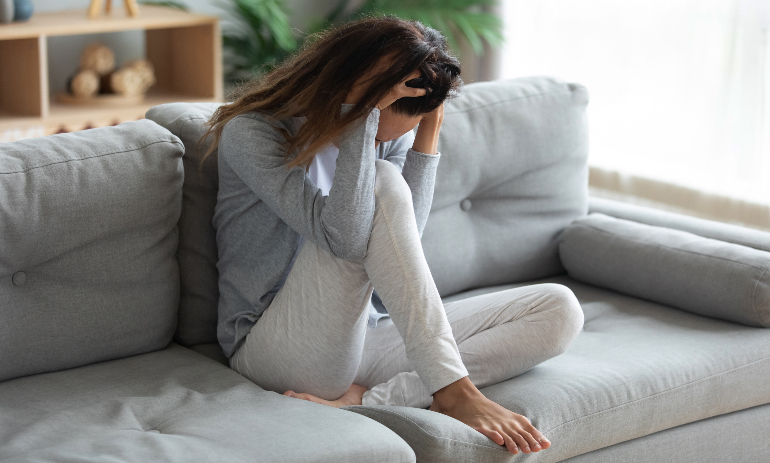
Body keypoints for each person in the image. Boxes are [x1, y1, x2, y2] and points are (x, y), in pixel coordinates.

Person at [200, 16, 584, 456]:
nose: (384, 142)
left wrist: (427, 134)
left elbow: (401, 251)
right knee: (381, 179)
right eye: (378, 127)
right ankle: (451, 388)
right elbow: (345, 240)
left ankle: (365, 401)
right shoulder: (251, 132)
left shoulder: (392, 132)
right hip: (276, 348)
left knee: (559, 308)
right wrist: (359, 118)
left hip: (364, 334)